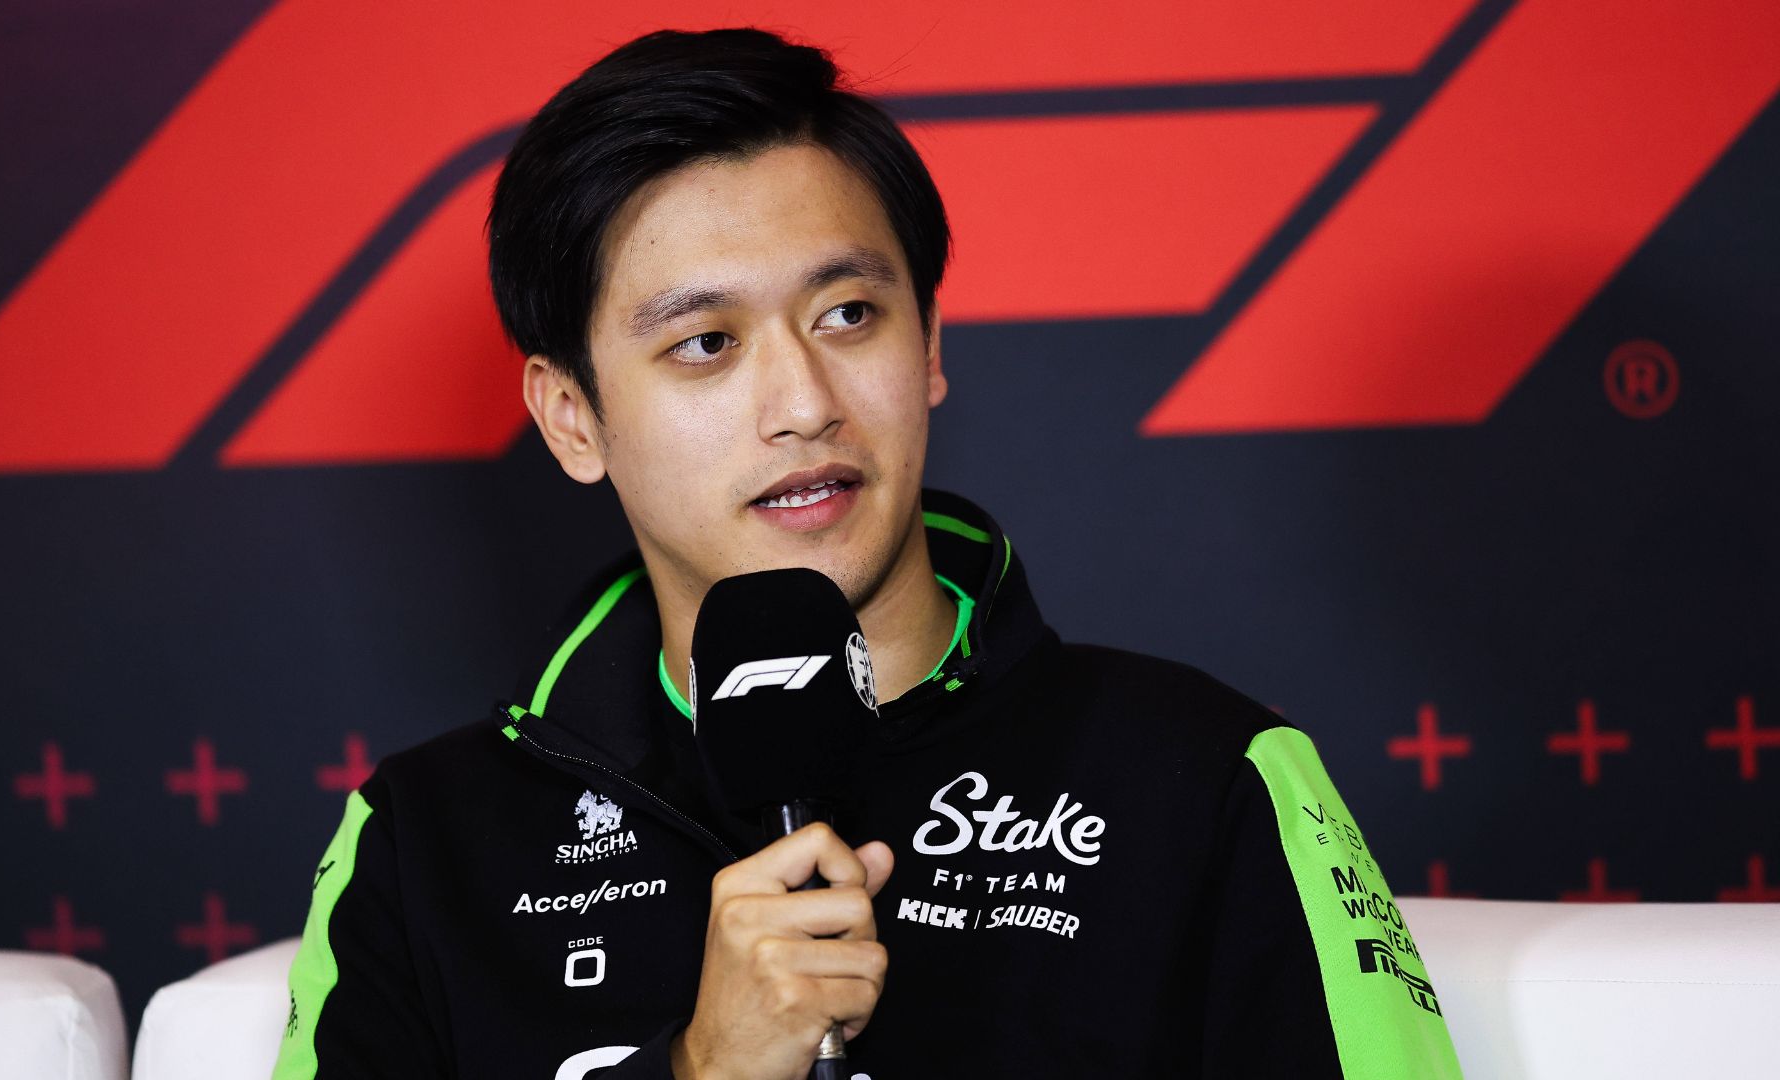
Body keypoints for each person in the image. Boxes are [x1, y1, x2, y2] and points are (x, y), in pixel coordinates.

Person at [272, 27, 1463, 1080]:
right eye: (705, 343)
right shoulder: (426, 845)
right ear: (572, 418)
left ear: (931, 345)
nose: (803, 401)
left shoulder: (1206, 777)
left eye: (849, 315)